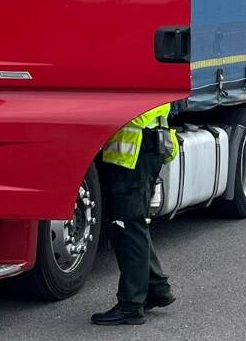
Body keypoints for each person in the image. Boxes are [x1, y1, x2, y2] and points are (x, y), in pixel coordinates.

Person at [92, 104, 179, 326]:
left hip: (135, 153)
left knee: (128, 226)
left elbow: (128, 111)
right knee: (133, 224)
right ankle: (157, 288)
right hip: (146, 148)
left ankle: (131, 305)